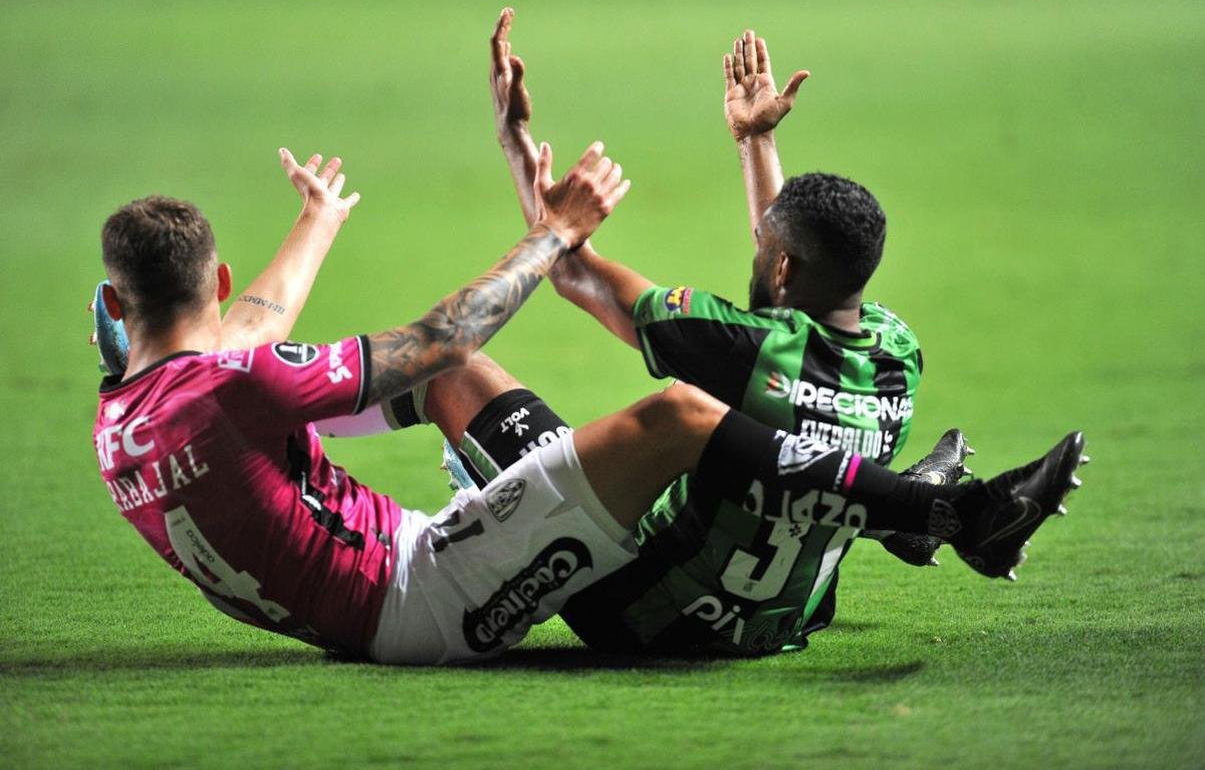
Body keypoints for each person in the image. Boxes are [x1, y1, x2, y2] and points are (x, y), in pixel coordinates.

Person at [91, 135, 1084, 665]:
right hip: (425, 596)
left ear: (113, 306)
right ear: (216, 286)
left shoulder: (132, 415)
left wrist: (317, 219)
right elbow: (442, 332)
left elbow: (251, 340)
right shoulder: (242, 374)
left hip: (386, 590)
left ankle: (896, 508)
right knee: (680, 416)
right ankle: (949, 514)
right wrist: (553, 227)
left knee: (445, 383)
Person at [425, 11, 969, 655]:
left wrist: (513, 136)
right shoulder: (896, 355)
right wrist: (754, 141)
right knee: (801, 452)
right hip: (780, 625)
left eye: (766, 245)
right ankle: (903, 507)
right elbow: (787, 293)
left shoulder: (740, 348)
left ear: (784, 265)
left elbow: (571, 270)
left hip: (639, 613)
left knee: (451, 369)